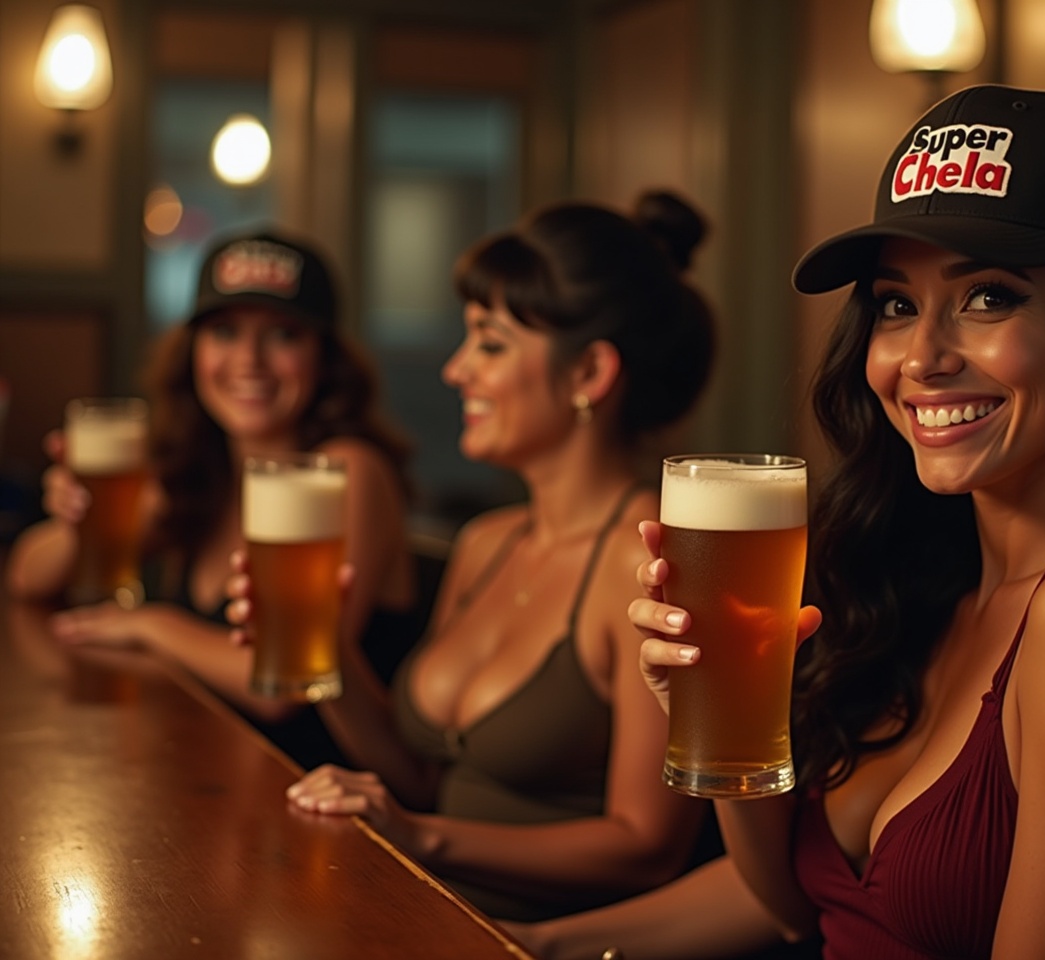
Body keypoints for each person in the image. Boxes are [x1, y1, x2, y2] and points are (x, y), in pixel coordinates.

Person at [622, 85, 1045, 959]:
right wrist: (721, 715)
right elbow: (794, 910)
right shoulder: (926, 578)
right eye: (896, 304)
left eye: (989, 297)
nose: (923, 357)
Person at [227, 190, 720, 922]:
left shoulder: (648, 560)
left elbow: (647, 846)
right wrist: (323, 649)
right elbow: (422, 780)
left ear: (589, 374)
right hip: (421, 916)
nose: (457, 370)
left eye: (489, 343)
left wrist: (419, 837)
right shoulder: (487, 541)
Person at [4, 230, 422, 770]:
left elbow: (284, 686)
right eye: (224, 331)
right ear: (192, 352)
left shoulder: (343, 471)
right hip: (212, 779)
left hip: (323, 808)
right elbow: (27, 579)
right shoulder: (203, 474)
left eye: (283, 334)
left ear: (325, 357)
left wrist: (152, 625)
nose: (249, 359)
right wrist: (77, 520)